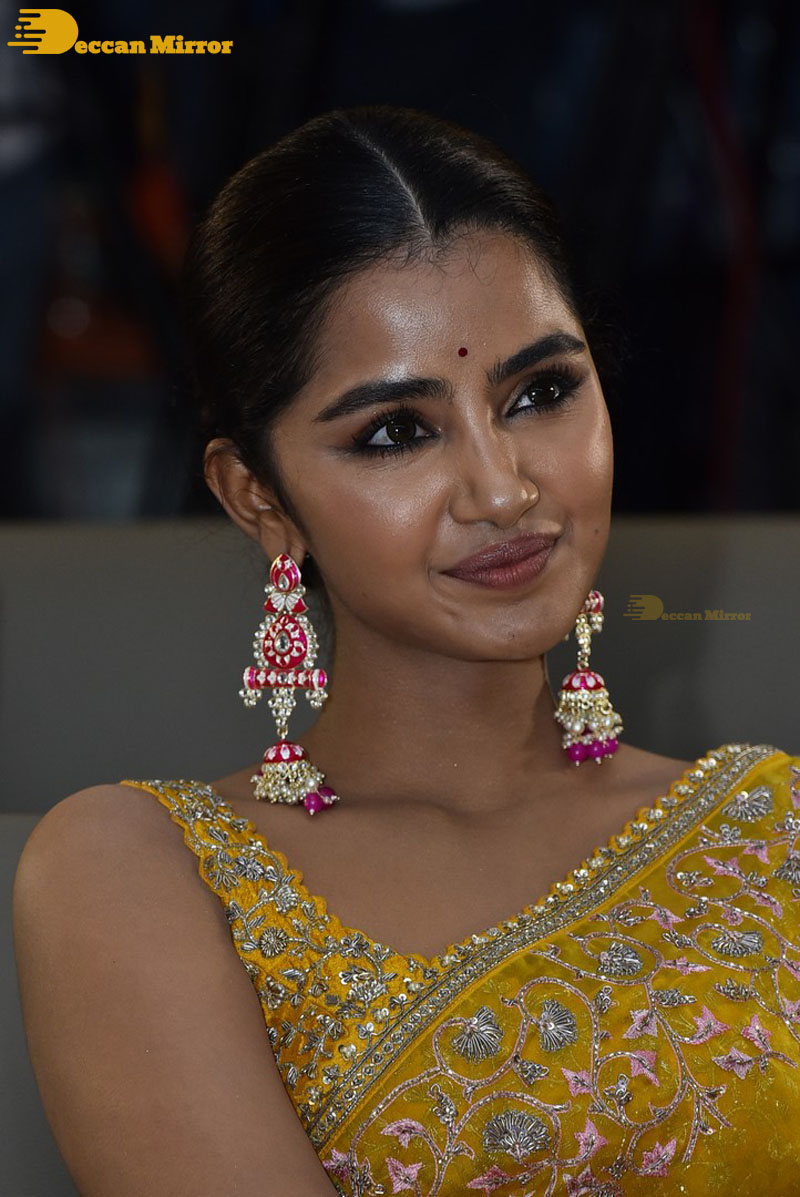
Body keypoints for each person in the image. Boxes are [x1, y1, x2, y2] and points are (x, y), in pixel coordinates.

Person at [12, 104, 799, 1196]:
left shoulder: (773, 831)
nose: (502, 490)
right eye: (395, 432)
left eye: (541, 393)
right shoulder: (138, 870)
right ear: (256, 497)